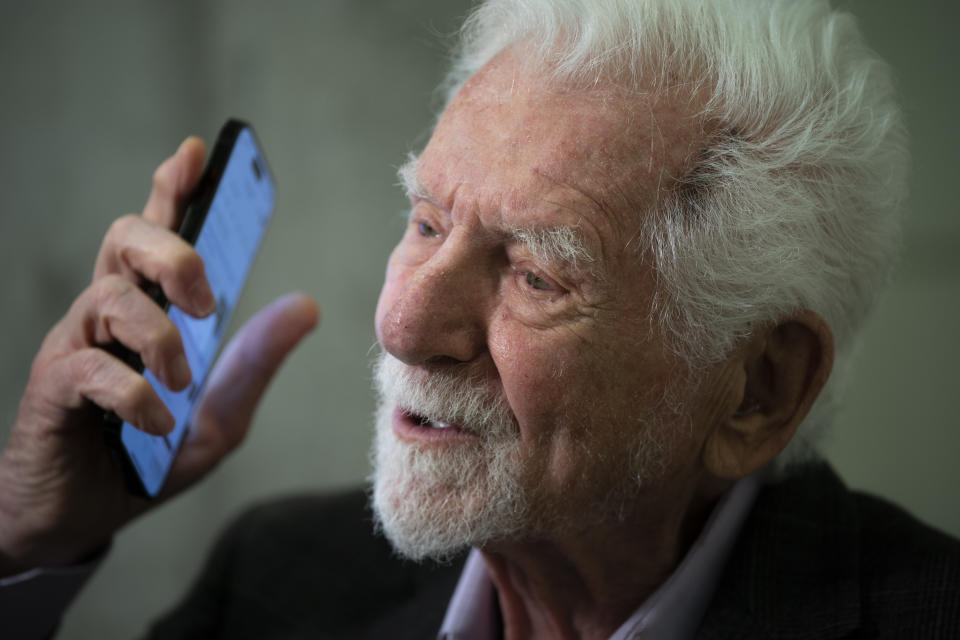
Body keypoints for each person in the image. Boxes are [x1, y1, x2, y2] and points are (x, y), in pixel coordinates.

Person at [2, 0, 958, 638]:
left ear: (759, 388)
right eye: (426, 222)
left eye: (537, 274)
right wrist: (30, 544)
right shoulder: (280, 582)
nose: (404, 326)